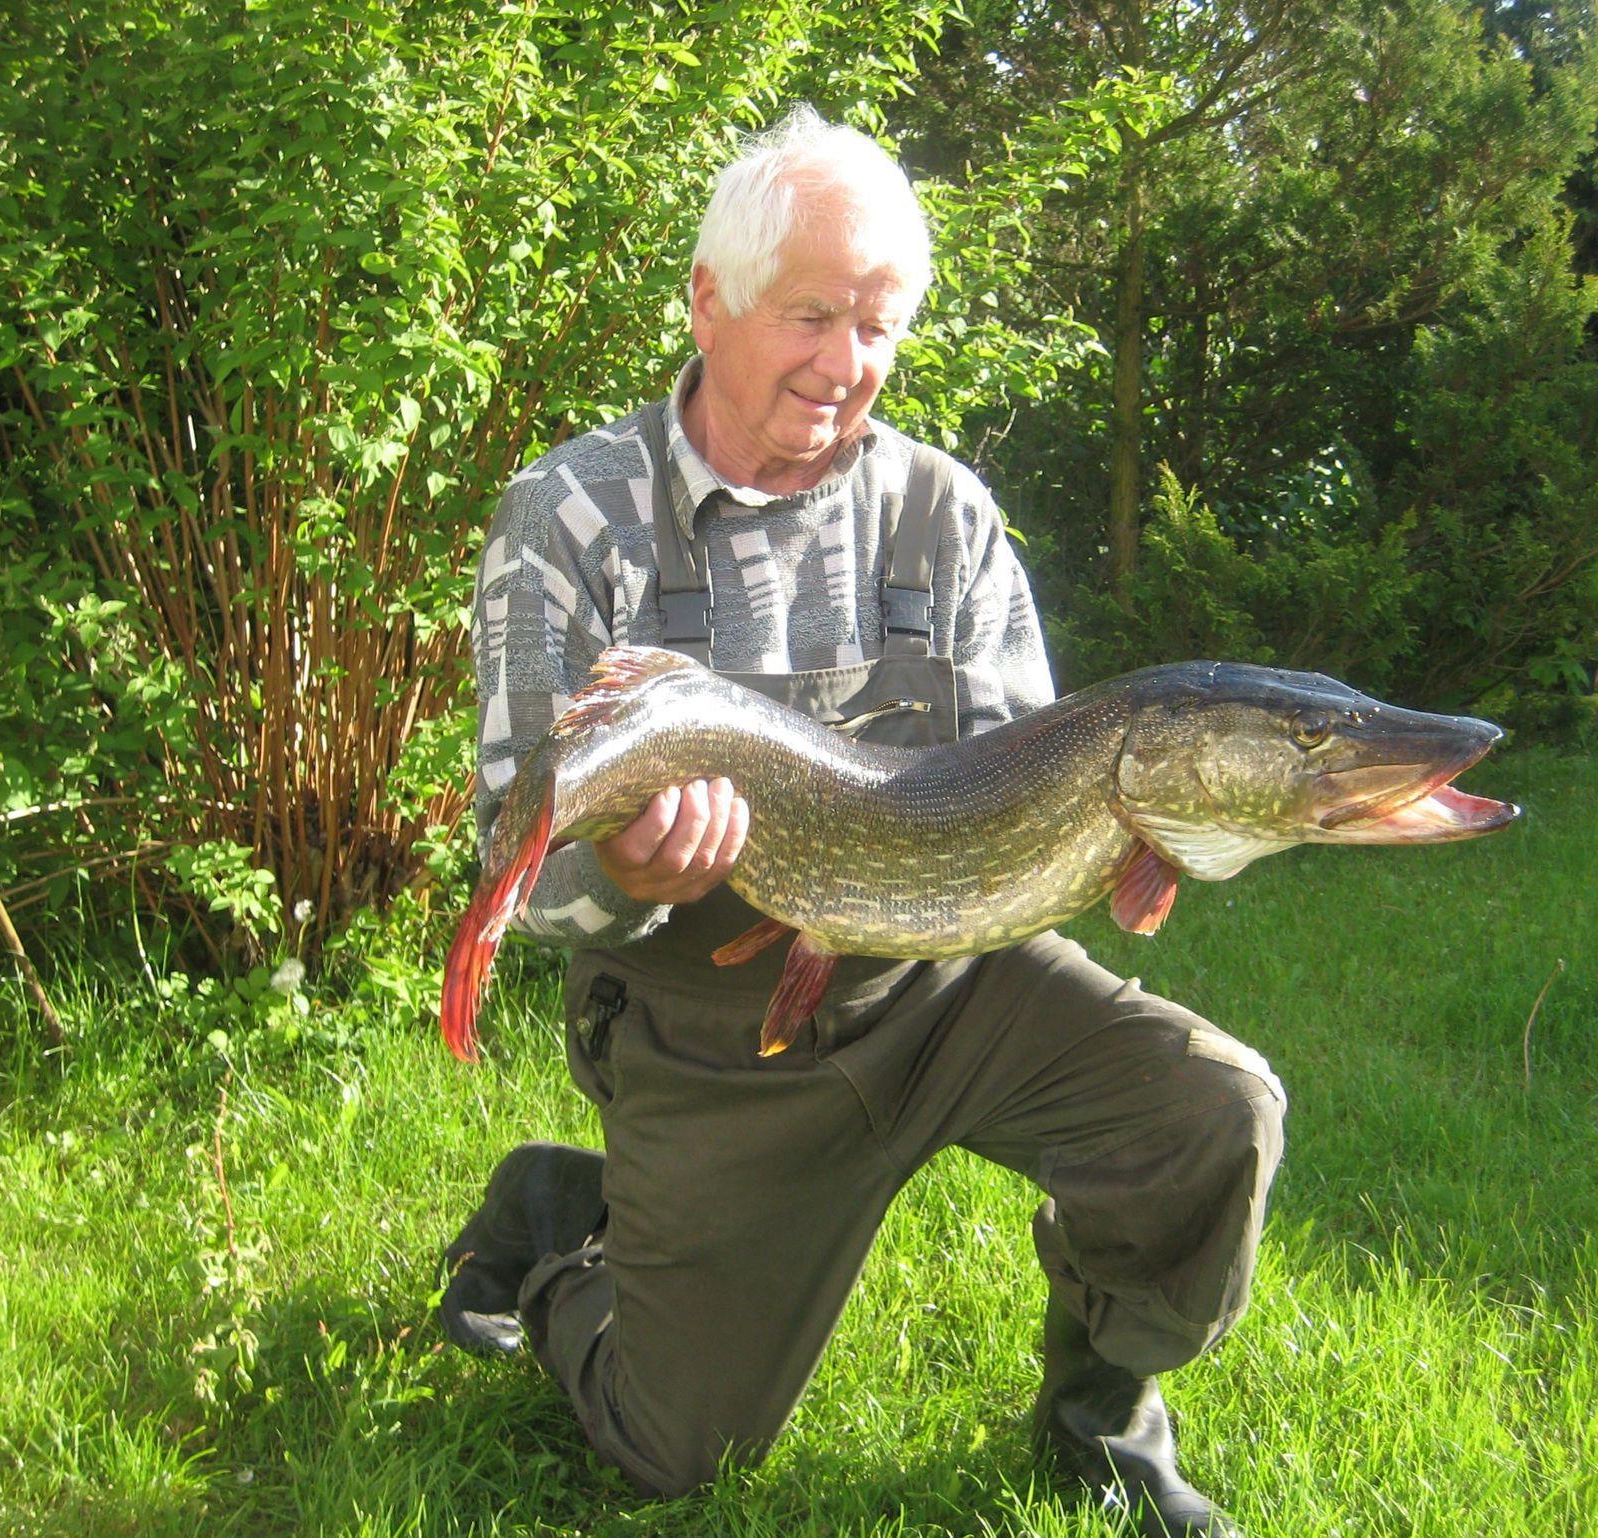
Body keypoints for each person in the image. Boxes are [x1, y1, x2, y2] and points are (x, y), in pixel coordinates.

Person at [440, 105, 1284, 1537]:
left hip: (944, 980)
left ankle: (1097, 1419)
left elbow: (1027, 777)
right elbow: (526, 879)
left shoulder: (944, 516)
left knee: (1212, 1110)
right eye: (812, 315)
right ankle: (555, 1233)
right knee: (675, 1450)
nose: (846, 363)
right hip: (711, 1030)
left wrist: (1132, 833)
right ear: (708, 303)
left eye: (879, 325)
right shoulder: (572, 520)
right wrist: (628, 867)